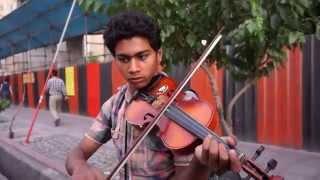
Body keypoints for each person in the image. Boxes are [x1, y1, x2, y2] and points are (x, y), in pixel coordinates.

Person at [65, 11, 241, 180]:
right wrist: (80, 167)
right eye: (124, 59)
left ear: (159, 55)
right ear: (115, 59)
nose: (133, 68)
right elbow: (77, 153)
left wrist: (200, 163)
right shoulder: (113, 105)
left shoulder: (185, 104)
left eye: (142, 56)